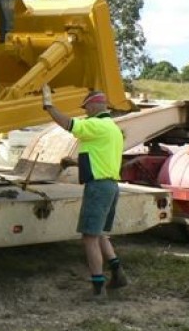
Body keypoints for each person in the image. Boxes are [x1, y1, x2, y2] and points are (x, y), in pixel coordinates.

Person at [42, 86, 129, 298]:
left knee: (89, 237)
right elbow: (99, 154)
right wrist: (76, 162)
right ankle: (118, 273)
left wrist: (49, 107)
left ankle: (98, 289)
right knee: (99, 233)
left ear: (94, 104)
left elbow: (68, 124)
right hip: (110, 185)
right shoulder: (112, 128)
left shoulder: (95, 125)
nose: (85, 111)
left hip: (98, 187)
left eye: (86, 107)